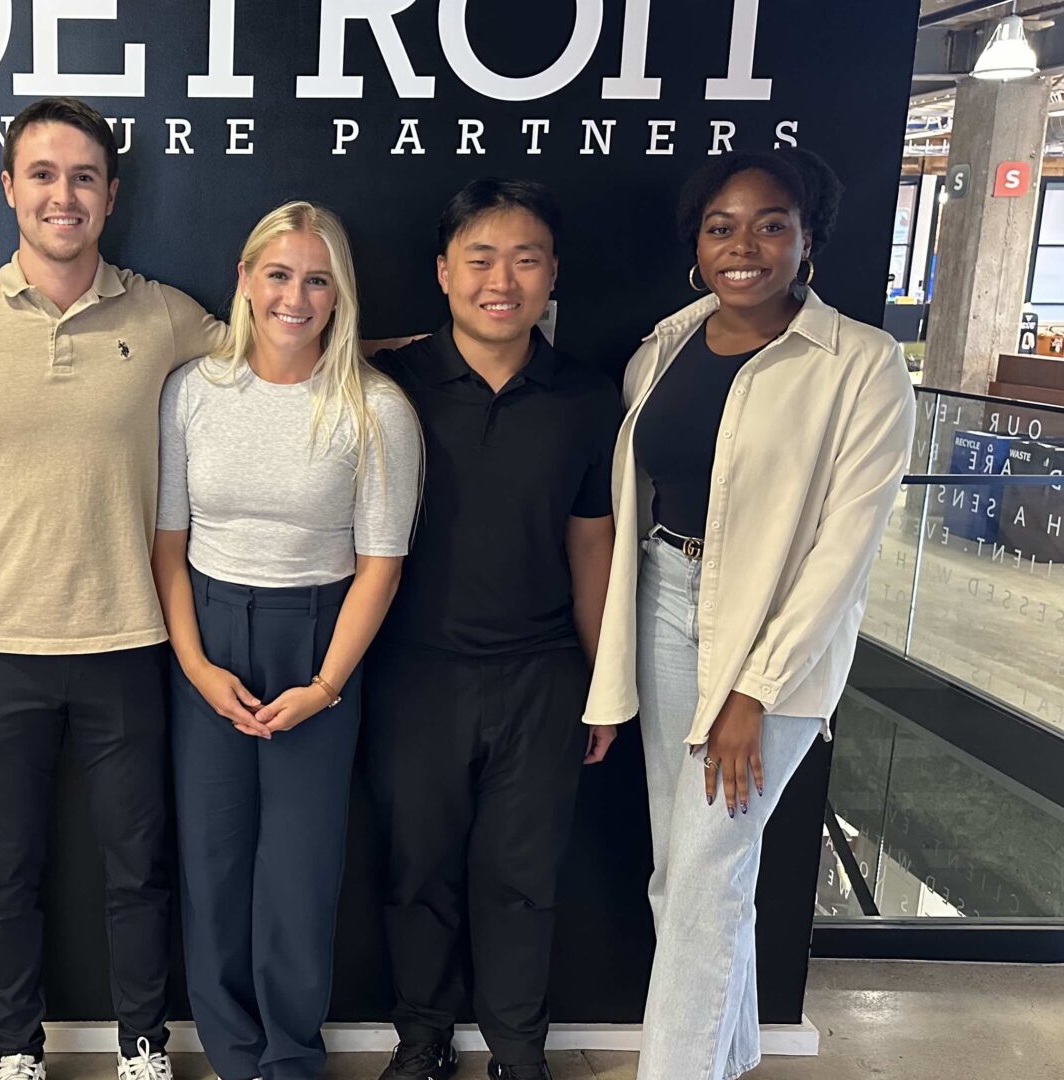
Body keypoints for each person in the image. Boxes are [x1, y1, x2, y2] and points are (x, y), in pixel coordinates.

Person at [0, 96, 229, 1080]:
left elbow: (282, 357)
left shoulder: (168, 316)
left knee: (138, 870)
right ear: (8, 189)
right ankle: (16, 1051)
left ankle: (142, 1045)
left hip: (129, 640)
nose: (63, 194)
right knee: (6, 874)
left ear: (110, 195)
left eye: (83, 176)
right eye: (42, 175)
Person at [583, 150, 914, 1080]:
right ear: (696, 243)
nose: (744, 246)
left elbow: (841, 556)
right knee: (688, 877)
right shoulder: (668, 344)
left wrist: (752, 694)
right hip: (660, 605)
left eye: (771, 223)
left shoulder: (861, 364)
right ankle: (725, 1062)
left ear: (808, 239)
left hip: (776, 651)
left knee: (702, 883)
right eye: (721, 226)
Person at [154, 200, 420, 1080]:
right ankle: (234, 1056)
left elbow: (379, 567)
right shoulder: (193, 391)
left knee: (299, 879)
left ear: (340, 295)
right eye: (278, 273)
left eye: (317, 279)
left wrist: (327, 683)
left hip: (321, 645)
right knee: (216, 866)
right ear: (244, 279)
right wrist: (195, 665)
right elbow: (169, 544)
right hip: (211, 636)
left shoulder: (375, 409)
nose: (295, 297)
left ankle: (290, 1061)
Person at [365, 179, 621, 1080]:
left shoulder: (588, 399)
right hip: (413, 675)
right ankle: (423, 1040)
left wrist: (605, 680)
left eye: (525, 258)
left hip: (542, 675)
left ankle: (518, 1051)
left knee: (522, 883)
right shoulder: (391, 384)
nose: (500, 279)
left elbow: (593, 548)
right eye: (479, 257)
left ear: (552, 274)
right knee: (417, 873)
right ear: (443, 272)